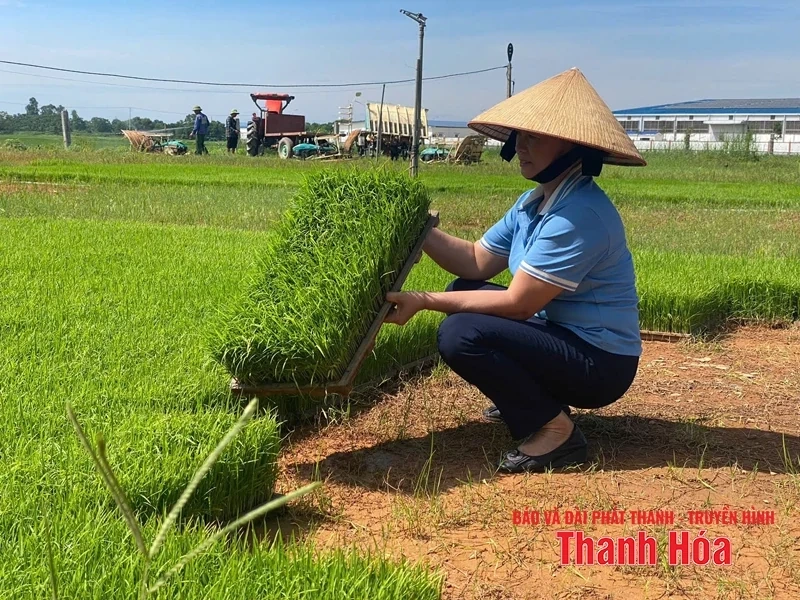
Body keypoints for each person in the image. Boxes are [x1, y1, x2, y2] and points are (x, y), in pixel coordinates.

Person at [384, 67, 647, 474]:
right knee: (465, 287)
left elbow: (519, 304)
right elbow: (475, 260)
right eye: (520, 136)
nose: (521, 147)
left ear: (572, 146)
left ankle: (554, 430)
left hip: (601, 364)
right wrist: (419, 230)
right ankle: (537, 400)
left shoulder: (579, 214)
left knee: (461, 331)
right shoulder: (534, 201)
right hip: (567, 340)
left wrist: (424, 301)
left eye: (535, 137)